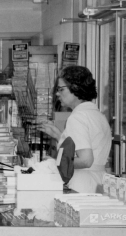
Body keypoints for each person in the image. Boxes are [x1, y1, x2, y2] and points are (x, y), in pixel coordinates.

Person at [37, 65, 110, 193]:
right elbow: (83, 146)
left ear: (75, 88)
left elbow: (86, 160)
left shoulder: (77, 117)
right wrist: (59, 136)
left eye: (61, 89)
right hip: (99, 182)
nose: (57, 93)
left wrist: (54, 163)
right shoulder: (97, 115)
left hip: (82, 184)